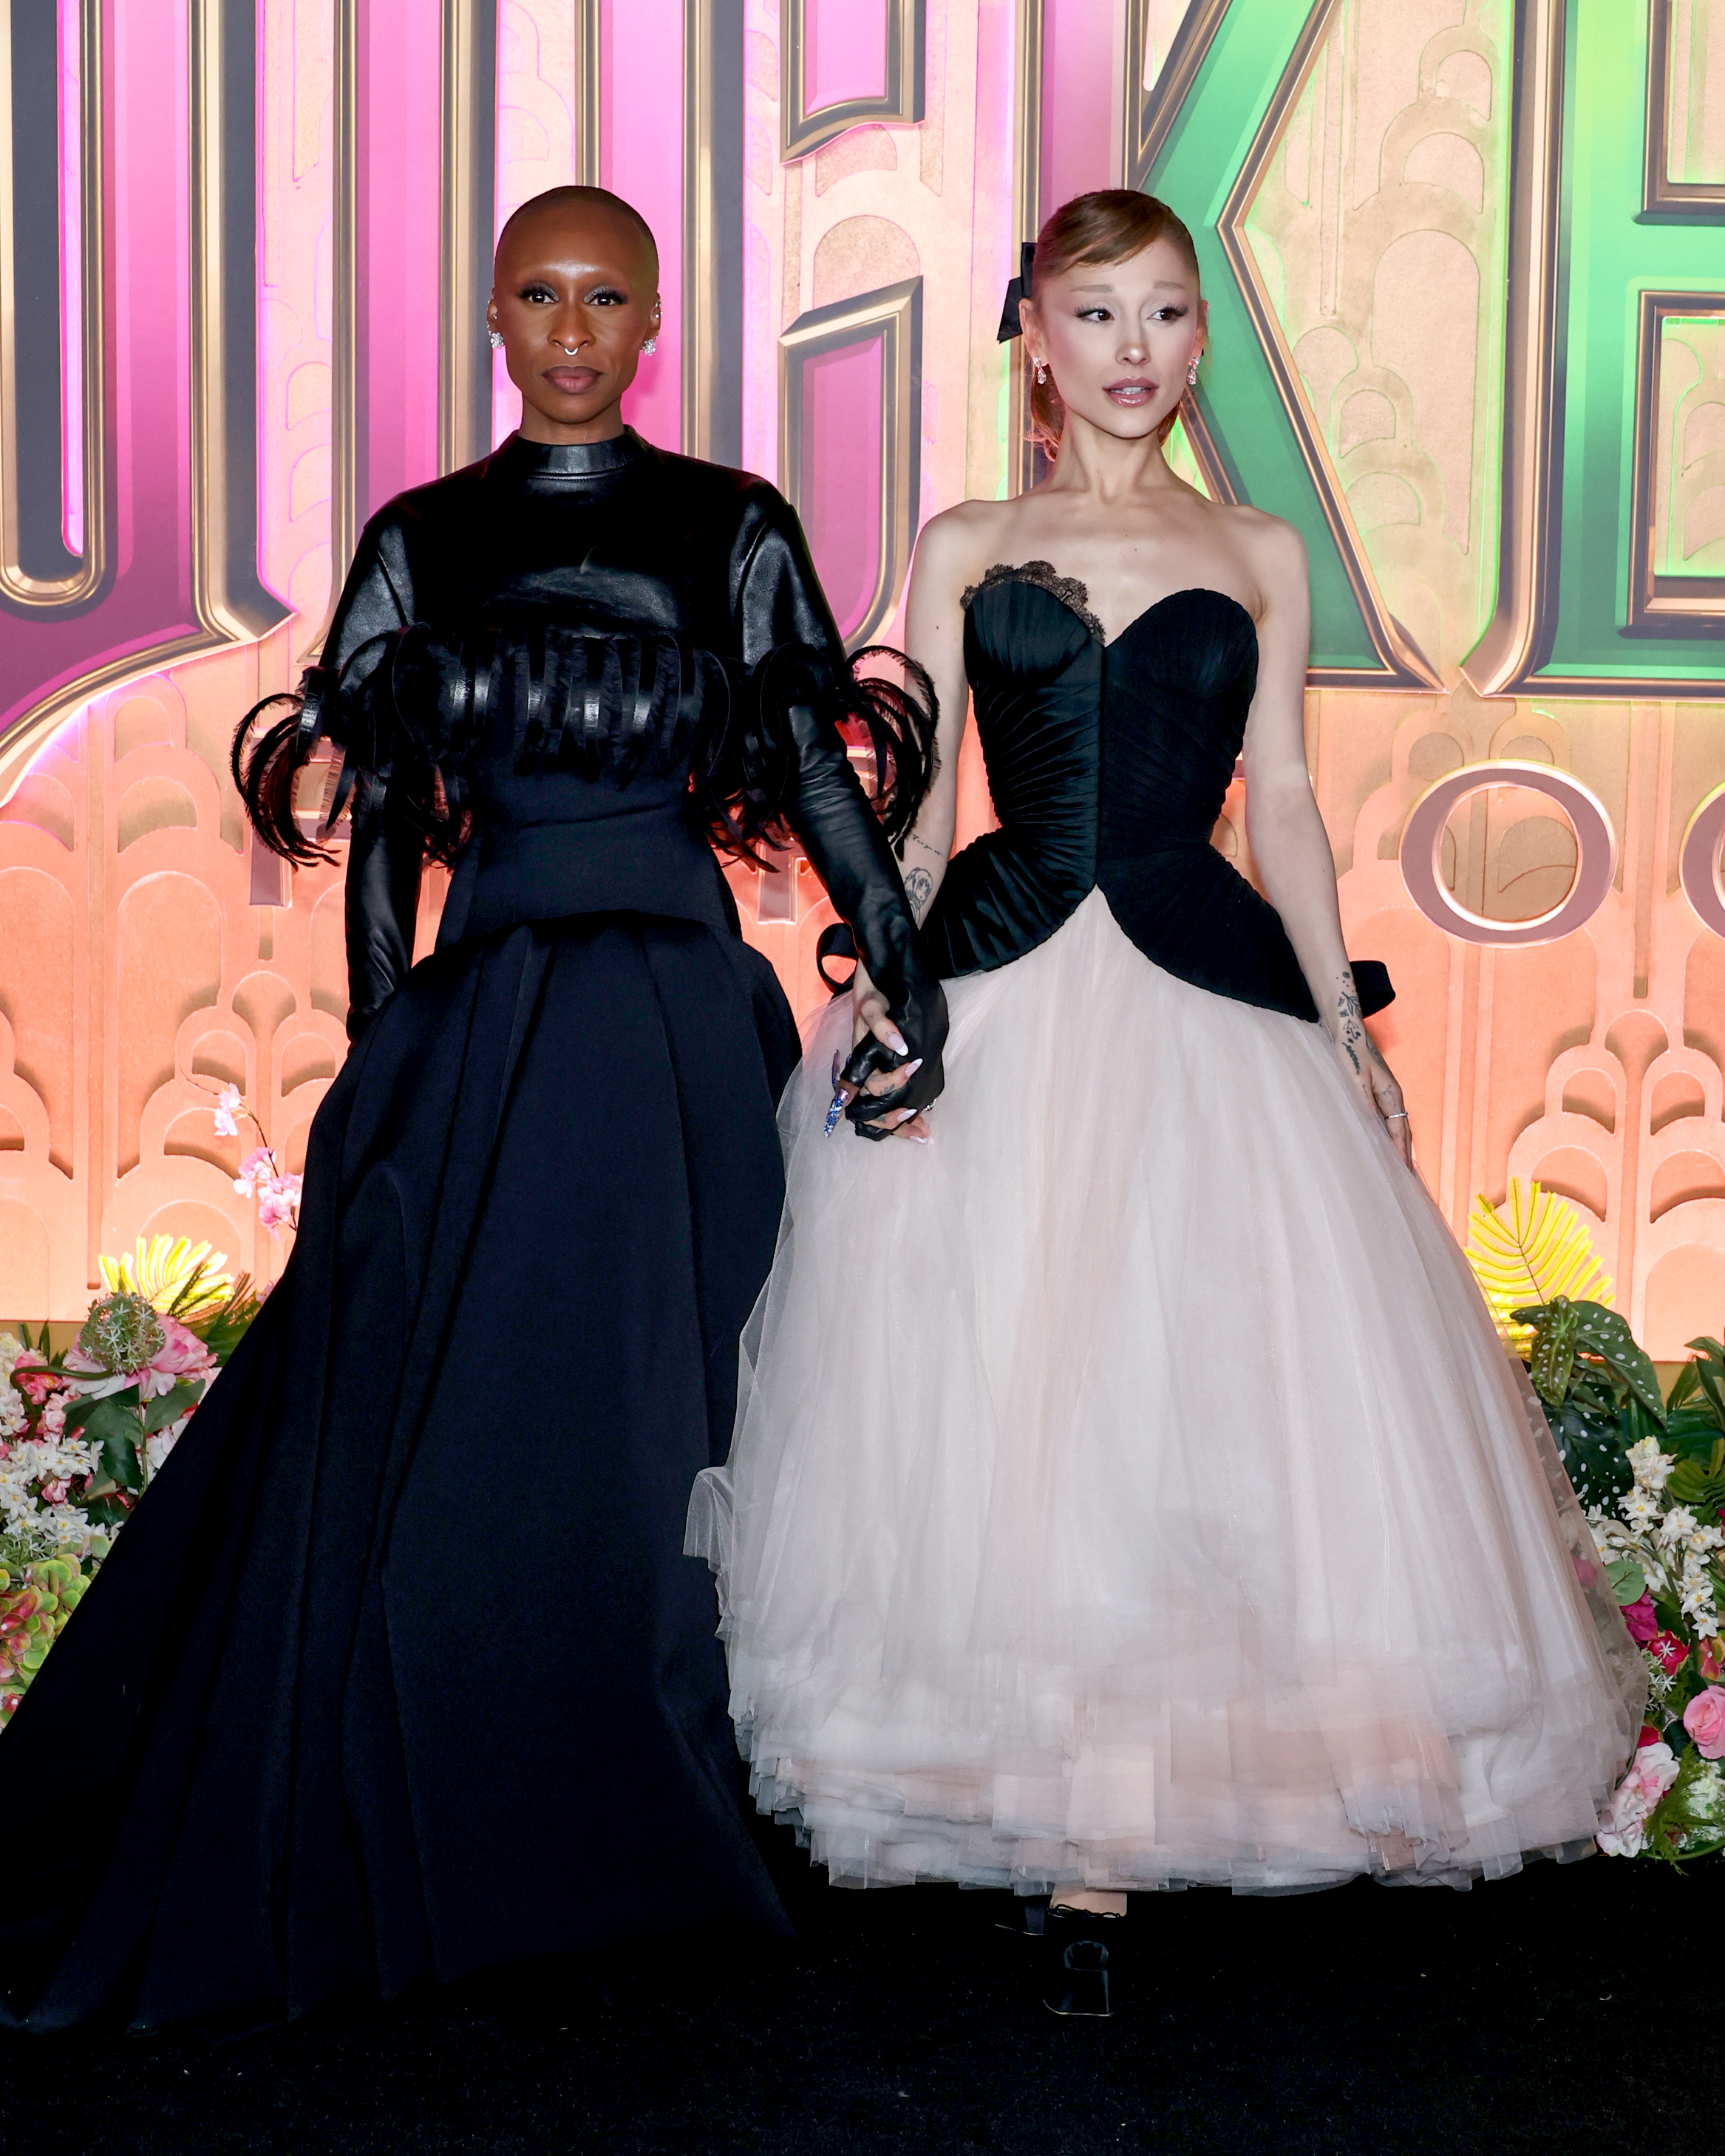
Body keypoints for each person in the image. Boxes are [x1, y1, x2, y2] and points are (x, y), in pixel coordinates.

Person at [0, 185, 944, 2033]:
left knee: (672, 1431)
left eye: (604, 297)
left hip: (680, 1034)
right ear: (494, 318)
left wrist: (899, 960)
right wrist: (383, 1040)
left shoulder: (733, 525)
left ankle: (661, 1826)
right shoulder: (424, 535)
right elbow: (387, 819)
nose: (572, 329)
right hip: (490, 1025)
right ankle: (467, 1819)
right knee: (471, 1440)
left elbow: (812, 768)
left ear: (652, 320)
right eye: (539, 295)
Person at [690, 193, 1644, 1934]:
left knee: (1194, 1384)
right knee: (1003, 1390)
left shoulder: (1262, 548)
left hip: (1206, 984)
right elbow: (922, 809)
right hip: (1004, 979)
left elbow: (1284, 801)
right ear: (1037, 346)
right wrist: (891, 976)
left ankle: (1168, 1791)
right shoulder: (966, 540)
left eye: (1167, 313)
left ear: (1202, 341)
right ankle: (1060, 1809)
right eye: (1099, 313)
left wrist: (1343, 1024)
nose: (1136, 348)